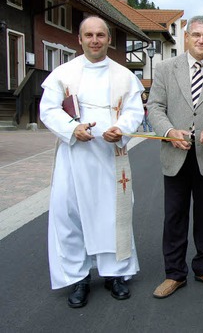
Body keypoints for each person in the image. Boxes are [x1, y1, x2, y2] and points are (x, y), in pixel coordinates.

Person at [40, 16, 144, 308]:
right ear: (80, 38)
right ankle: (78, 277)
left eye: (100, 35)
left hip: (111, 155)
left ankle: (116, 274)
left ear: (109, 39)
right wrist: (72, 128)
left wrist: (120, 130)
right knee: (69, 214)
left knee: (114, 214)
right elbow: (48, 110)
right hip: (75, 155)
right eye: (89, 35)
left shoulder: (124, 75)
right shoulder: (63, 73)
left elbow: (135, 112)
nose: (95, 40)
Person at [148, 15, 203, 298]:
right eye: (196, 35)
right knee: (174, 217)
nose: (201, 40)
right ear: (186, 37)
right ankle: (174, 274)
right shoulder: (164, 69)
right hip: (176, 153)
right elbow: (154, 107)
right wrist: (168, 131)